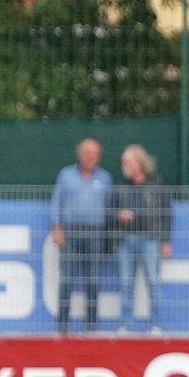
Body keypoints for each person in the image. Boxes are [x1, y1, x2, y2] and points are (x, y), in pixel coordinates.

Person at [51, 138, 111, 334]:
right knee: (67, 279)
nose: (91, 157)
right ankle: (62, 327)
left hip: (95, 232)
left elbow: (110, 207)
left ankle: (91, 328)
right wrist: (57, 229)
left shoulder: (105, 178)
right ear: (80, 154)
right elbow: (56, 203)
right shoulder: (65, 175)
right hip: (70, 231)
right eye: (88, 153)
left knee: (92, 280)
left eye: (95, 154)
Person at [111, 145, 171, 325]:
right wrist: (119, 214)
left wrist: (165, 240)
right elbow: (110, 210)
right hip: (125, 239)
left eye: (127, 162)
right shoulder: (120, 185)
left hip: (151, 238)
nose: (124, 166)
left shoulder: (157, 183)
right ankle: (126, 325)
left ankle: (157, 325)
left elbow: (166, 212)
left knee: (153, 282)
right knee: (125, 283)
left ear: (139, 163)